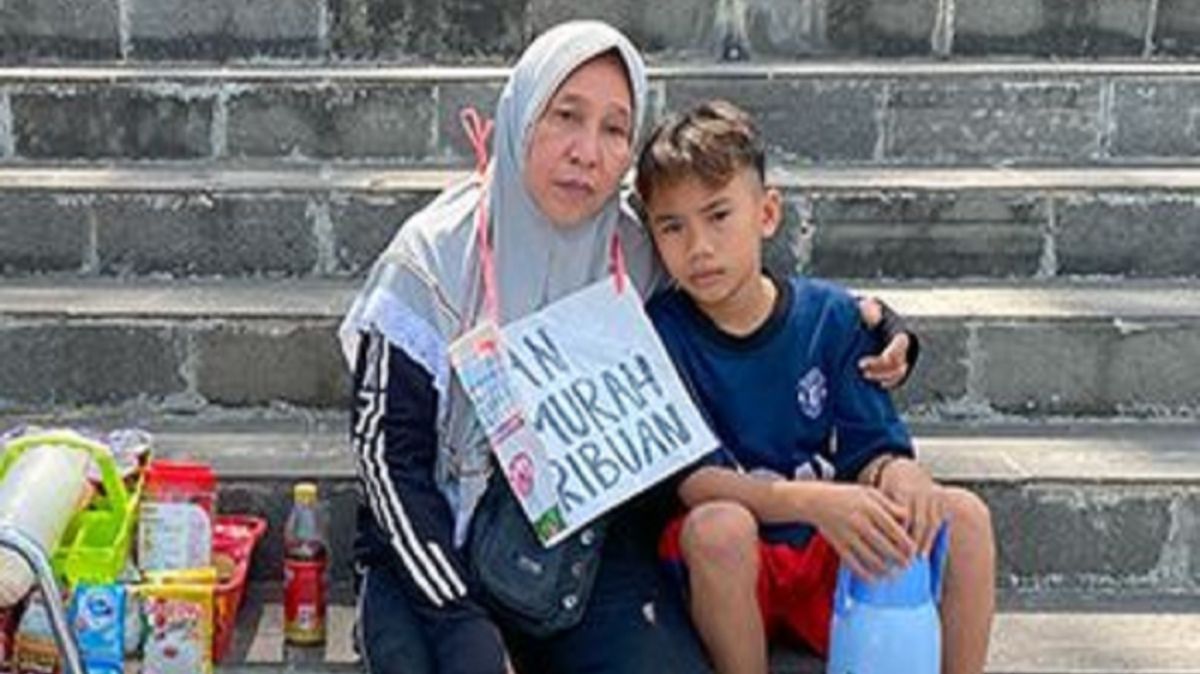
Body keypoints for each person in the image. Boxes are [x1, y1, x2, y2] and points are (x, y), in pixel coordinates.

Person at [338, 22, 915, 674]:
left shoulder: (639, 249)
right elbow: (387, 461)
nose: (587, 151)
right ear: (522, 114)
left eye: (615, 129)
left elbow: (745, 290)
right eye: (566, 116)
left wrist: (876, 323)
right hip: (431, 550)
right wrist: (456, 616)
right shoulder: (434, 258)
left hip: (580, 552)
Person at [636, 100, 996, 674]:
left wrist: (898, 473)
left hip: (833, 551)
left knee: (965, 517)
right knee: (718, 527)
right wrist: (812, 501)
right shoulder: (657, 333)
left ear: (768, 213)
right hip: (727, 563)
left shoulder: (831, 317)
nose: (698, 246)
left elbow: (873, 446)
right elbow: (691, 482)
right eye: (672, 226)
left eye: (718, 215)